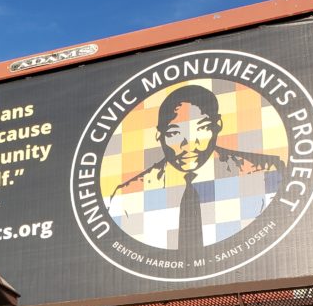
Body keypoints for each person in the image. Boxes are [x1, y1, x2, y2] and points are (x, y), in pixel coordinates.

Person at [106, 83, 284, 257]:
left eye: (201, 128)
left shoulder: (263, 173)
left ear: (218, 125)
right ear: (159, 135)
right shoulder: (127, 196)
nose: (188, 145)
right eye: (174, 133)